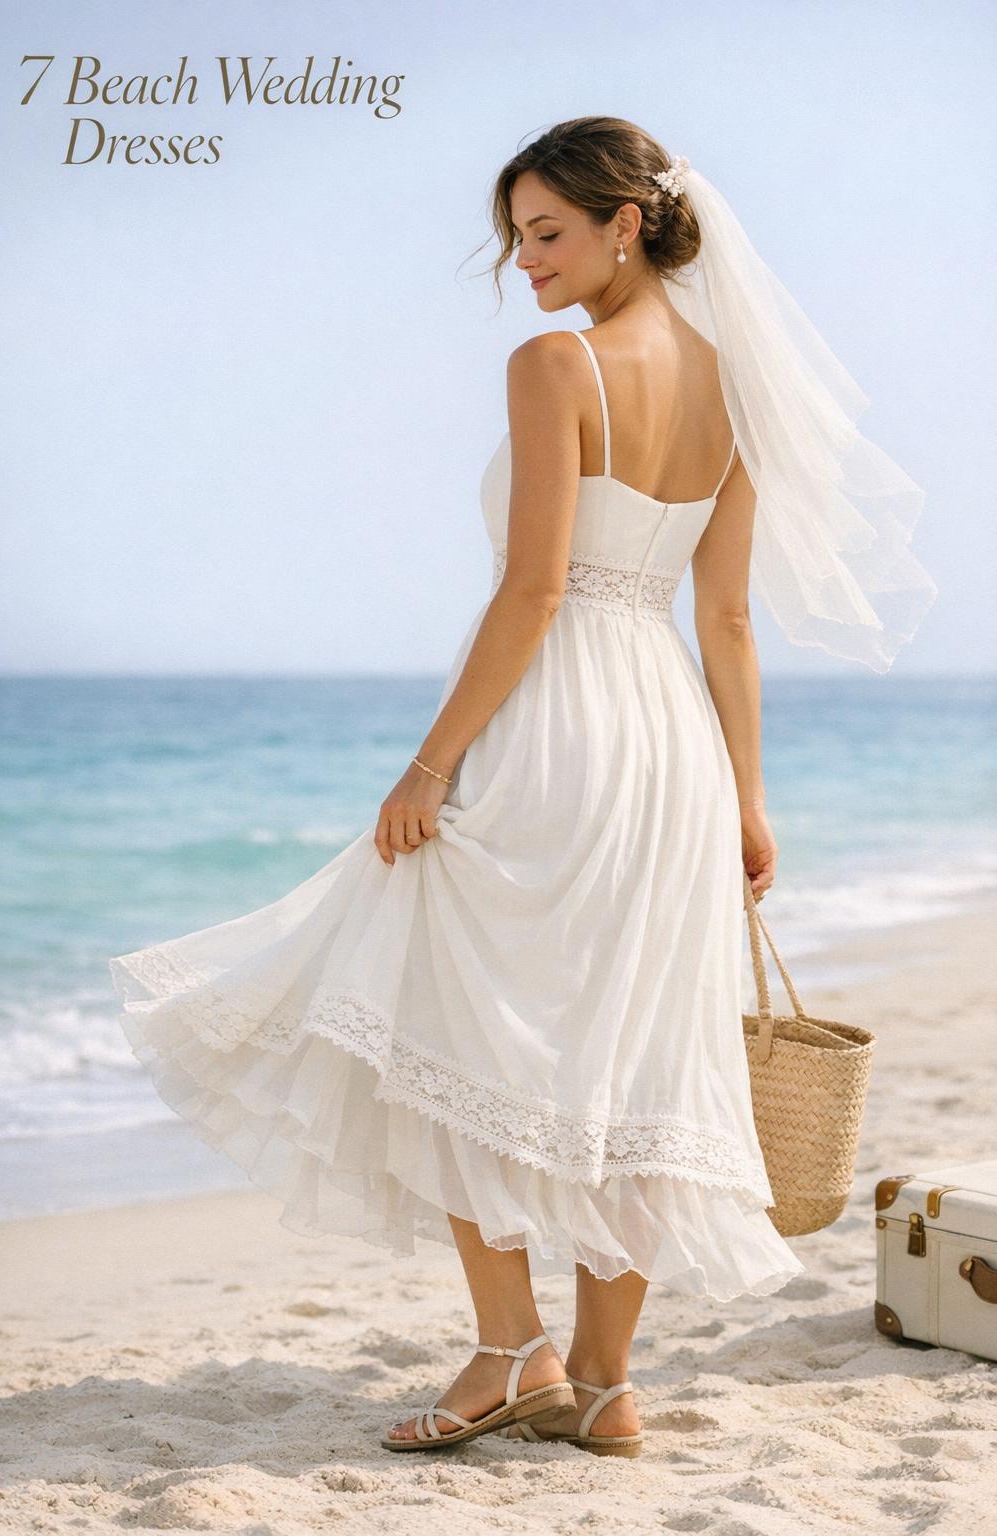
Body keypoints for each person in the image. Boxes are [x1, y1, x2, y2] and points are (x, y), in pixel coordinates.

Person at [109, 117, 936, 1457]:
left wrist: (429, 764)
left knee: (445, 1018)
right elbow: (724, 618)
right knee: (638, 1050)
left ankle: (512, 1352)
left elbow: (537, 589)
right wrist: (748, 798)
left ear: (626, 222)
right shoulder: (737, 385)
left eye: (547, 233)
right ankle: (608, 1385)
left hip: (561, 722)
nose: (525, 264)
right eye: (515, 239)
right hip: (671, 742)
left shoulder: (555, 366)